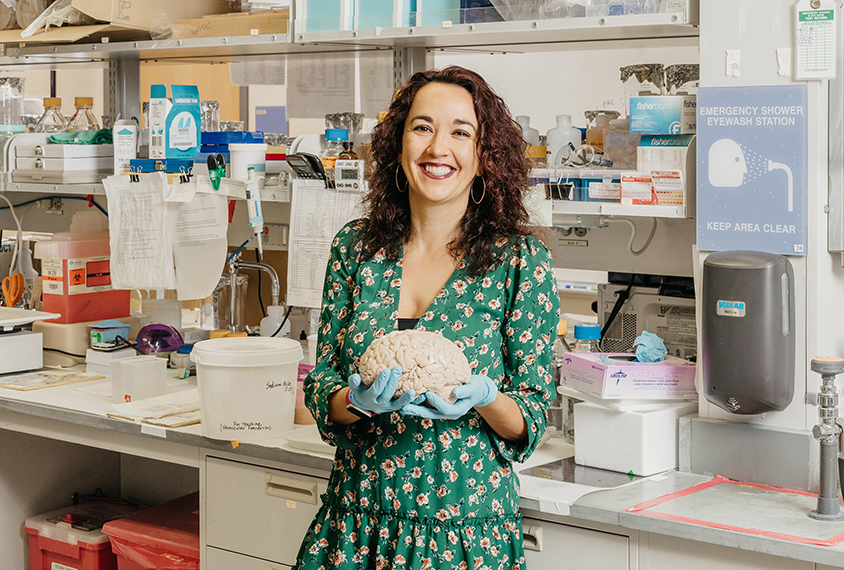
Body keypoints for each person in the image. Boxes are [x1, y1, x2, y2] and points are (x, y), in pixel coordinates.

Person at [295, 65, 560, 570]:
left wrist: (485, 398)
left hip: (463, 532)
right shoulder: (356, 248)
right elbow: (321, 382)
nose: (439, 147)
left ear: (484, 157)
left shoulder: (520, 261)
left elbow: (534, 415)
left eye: (461, 132)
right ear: (398, 147)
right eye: (423, 127)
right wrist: (353, 400)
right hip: (356, 524)